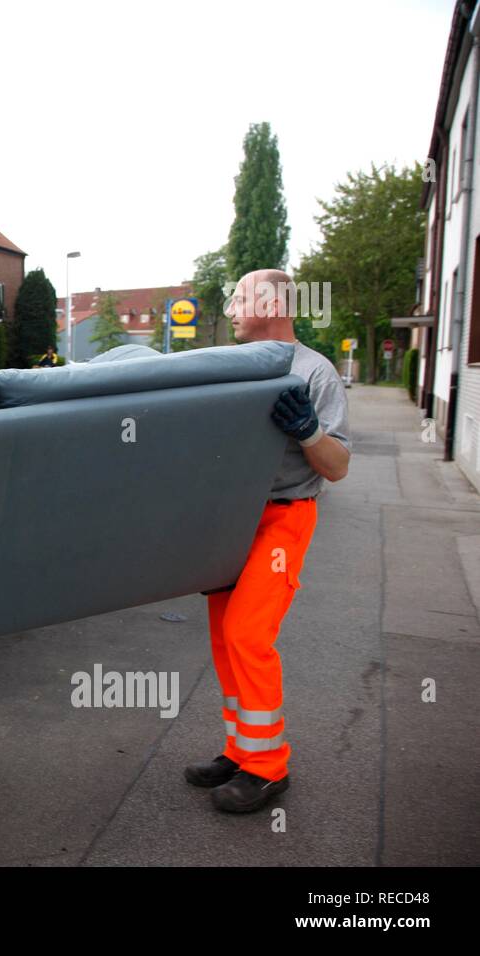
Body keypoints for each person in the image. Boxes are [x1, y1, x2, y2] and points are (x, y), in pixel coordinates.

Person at [184, 269, 351, 813]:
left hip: (283, 519)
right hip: (230, 519)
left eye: (240, 296)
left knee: (248, 632)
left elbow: (340, 467)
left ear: (275, 302)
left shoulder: (314, 372)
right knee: (224, 639)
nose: (230, 305)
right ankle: (241, 749)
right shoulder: (229, 367)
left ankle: (268, 768)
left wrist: (309, 431)